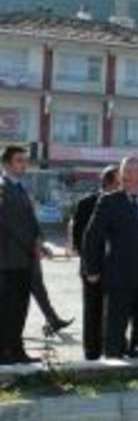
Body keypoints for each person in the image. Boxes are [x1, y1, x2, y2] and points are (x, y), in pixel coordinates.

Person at [83, 157, 138, 358]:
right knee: (115, 327)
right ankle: (113, 364)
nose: (126, 176)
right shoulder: (109, 201)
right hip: (119, 275)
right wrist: (91, 268)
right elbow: (92, 236)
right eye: (123, 171)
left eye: (131, 171)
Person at [71, 165, 119, 360]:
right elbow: (79, 237)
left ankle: (113, 347)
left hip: (117, 267)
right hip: (93, 267)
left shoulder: (123, 202)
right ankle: (91, 352)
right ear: (108, 182)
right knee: (93, 309)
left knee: (115, 309)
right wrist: (91, 265)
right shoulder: (87, 203)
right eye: (119, 181)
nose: (122, 184)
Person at [0, 146, 42, 364]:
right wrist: (30, 244)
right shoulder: (2, 187)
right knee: (7, 308)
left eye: (25, 161)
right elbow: (8, 223)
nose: (23, 164)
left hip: (24, 259)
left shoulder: (20, 187)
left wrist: (38, 240)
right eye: (19, 161)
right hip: (8, 260)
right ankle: (4, 352)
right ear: (6, 163)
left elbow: (30, 220)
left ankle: (17, 350)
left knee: (21, 307)